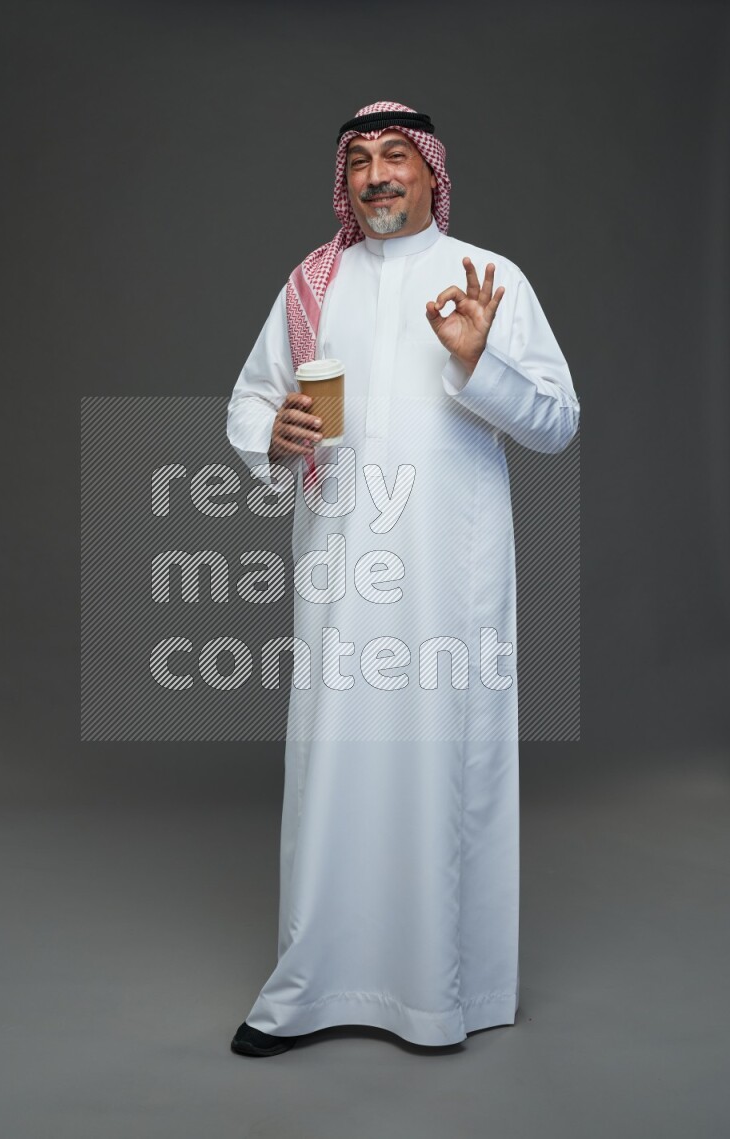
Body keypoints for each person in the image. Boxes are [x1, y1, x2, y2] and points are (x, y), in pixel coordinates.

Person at [226, 100, 580, 1057]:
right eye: (358, 162)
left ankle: (435, 995)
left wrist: (479, 362)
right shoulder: (311, 283)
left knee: (439, 769)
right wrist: (271, 429)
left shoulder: (490, 280)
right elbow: (252, 395)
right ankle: (309, 988)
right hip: (341, 572)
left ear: (432, 173)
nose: (378, 175)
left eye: (396, 157)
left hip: (449, 582)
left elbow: (556, 420)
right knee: (330, 769)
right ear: (343, 185)